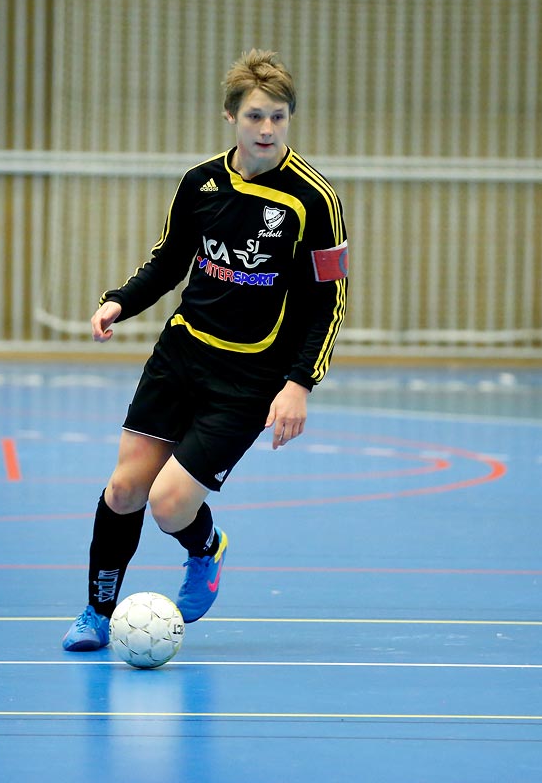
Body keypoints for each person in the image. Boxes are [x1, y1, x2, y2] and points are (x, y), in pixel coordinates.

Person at [62, 48, 349, 651]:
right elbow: (169, 260)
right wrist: (120, 301)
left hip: (250, 378)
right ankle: (96, 611)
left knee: (169, 506)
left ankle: (206, 547)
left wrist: (300, 383)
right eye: (254, 117)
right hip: (181, 355)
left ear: (289, 120)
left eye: (277, 117)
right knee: (124, 490)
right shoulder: (200, 183)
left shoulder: (315, 201)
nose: (266, 129)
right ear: (230, 118)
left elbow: (330, 300)